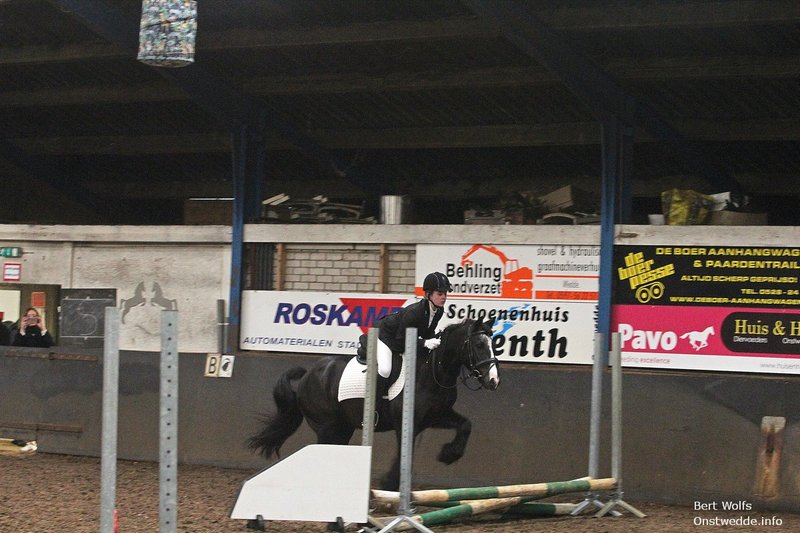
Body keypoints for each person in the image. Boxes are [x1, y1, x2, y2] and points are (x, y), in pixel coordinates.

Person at [375, 271, 451, 398]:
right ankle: (377, 400)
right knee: (385, 369)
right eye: (439, 294)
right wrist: (425, 343)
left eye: (445, 293)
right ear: (428, 294)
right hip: (386, 336)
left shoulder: (439, 311)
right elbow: (401, 340)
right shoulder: (414, 312)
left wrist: (436, 339)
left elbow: (428, 333)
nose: (444, 297)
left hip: (403, 339)